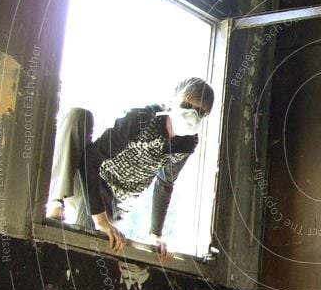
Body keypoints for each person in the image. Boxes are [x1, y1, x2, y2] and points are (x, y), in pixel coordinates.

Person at [46, 77, 214, 262]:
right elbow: (90, 160)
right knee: (78, 116)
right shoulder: (142, 119)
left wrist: (155, 234)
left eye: (200, 112)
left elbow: (165, 182)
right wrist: (100, 221)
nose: (192, 116)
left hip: (115, 205)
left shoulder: (188, 142)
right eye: (187, 105)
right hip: (89, 181)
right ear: (174, 99)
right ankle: (56, 201)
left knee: (83, 248)